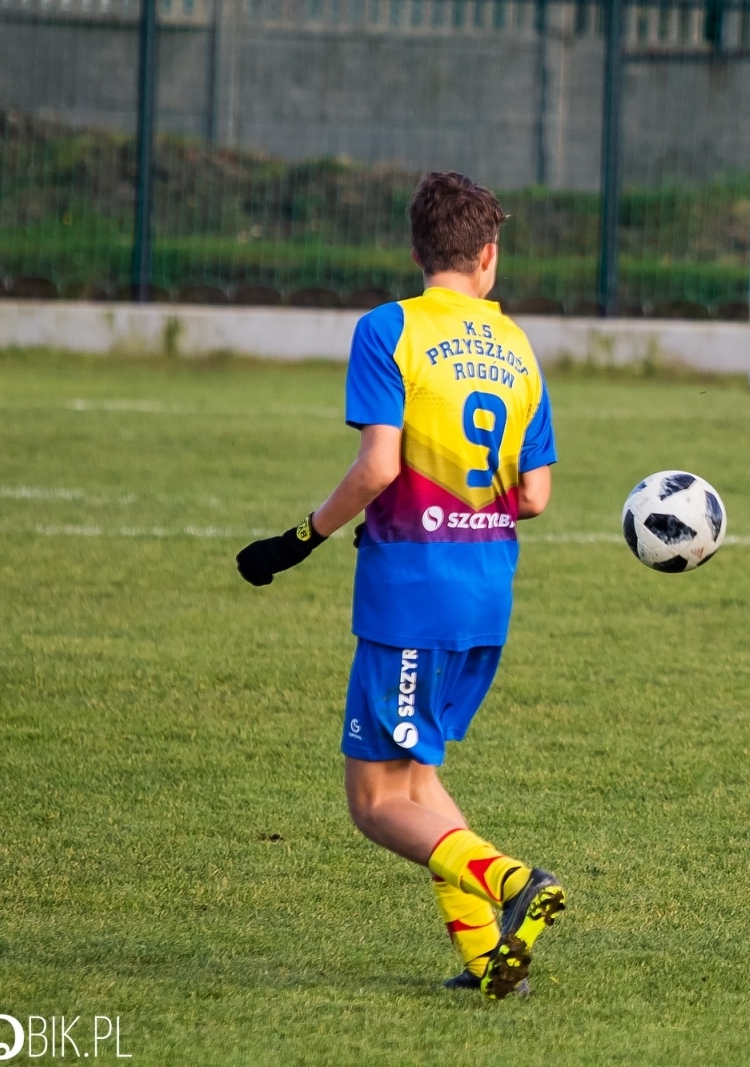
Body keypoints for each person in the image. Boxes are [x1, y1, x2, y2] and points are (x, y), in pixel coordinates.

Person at [235, 171, 565, 1000]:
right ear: (489, 257)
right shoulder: (520, 346)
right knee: (417, 780)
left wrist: (301, 537)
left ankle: (513, 877)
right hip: (488, 591)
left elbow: (379, 465)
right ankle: (491, 956)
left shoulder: (390, 330)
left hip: (413, 589)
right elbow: (535, 494)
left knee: (373, 800)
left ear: (418, 251)